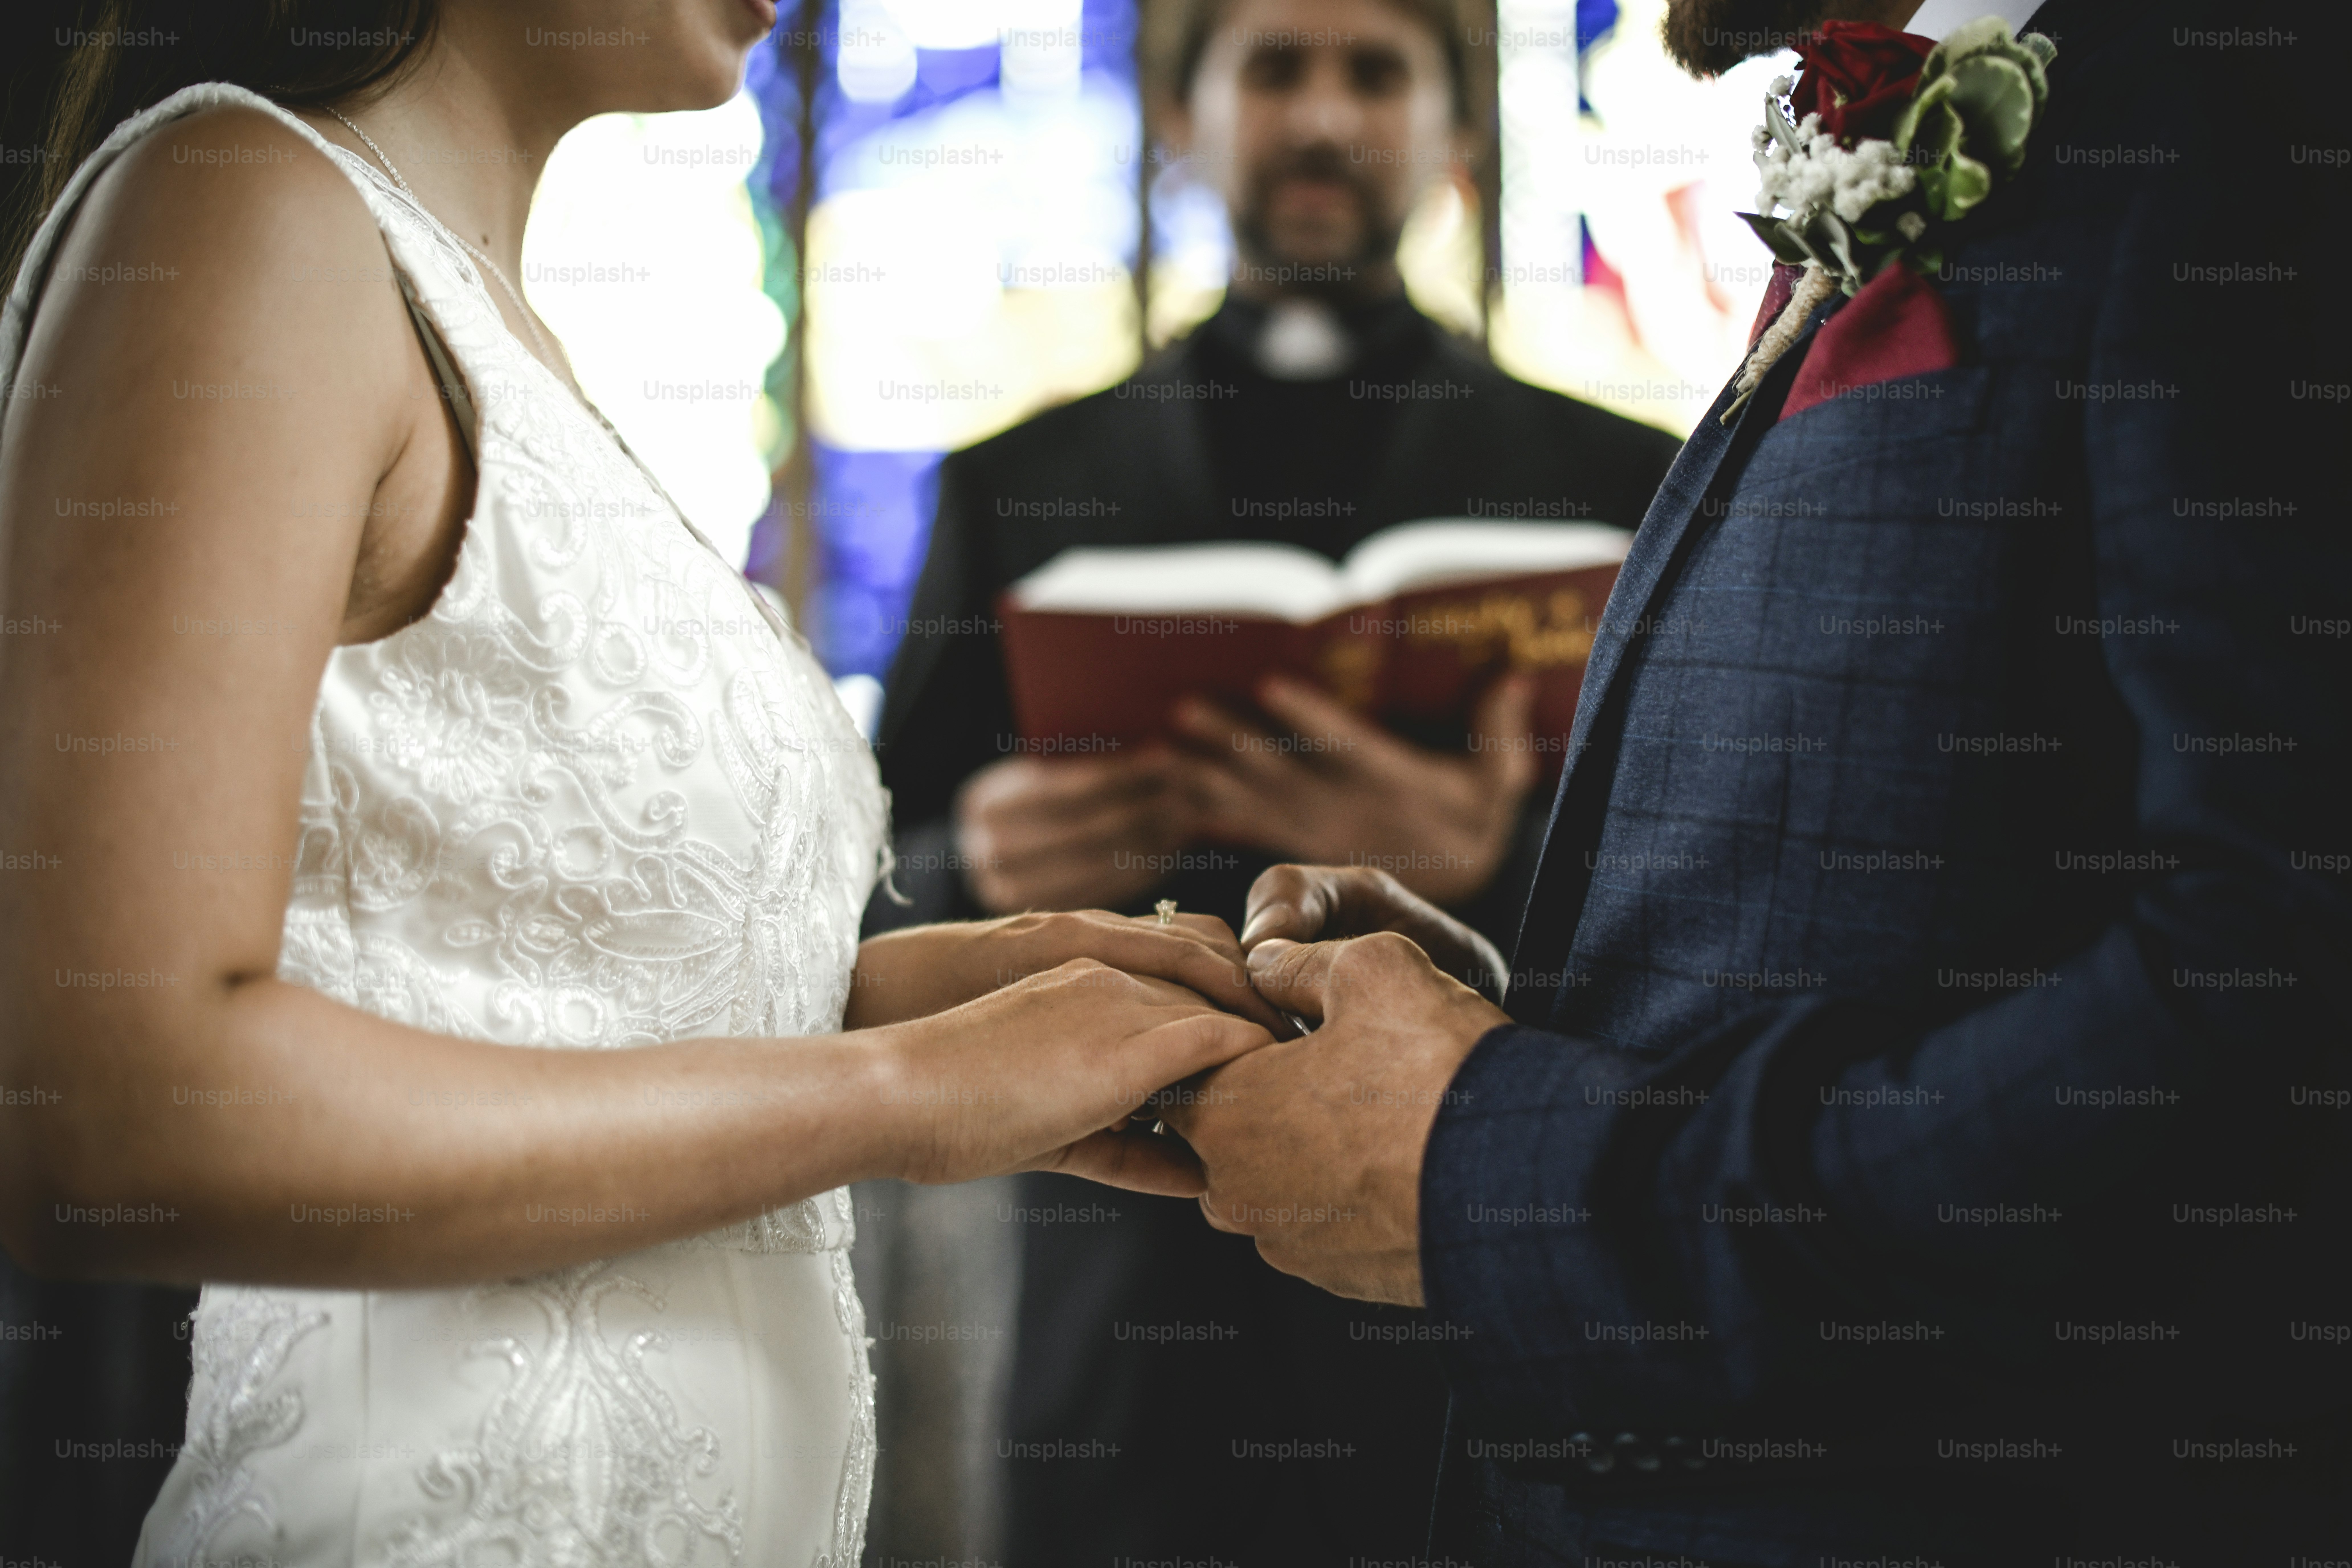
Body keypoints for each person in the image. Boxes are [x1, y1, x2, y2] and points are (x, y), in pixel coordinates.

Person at [0, 5, 1283, 1562]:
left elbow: (485, 982)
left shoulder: (491, 318)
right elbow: (100, 1108)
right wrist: (898, 1092)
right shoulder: (241, 206)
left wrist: (912, 1000)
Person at [1167, 0, 2351, 1563]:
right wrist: (1522, 1010)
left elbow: (2272, 986)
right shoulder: (1935, 130)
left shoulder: (2242, 108)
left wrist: (1500, 1155)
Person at [870, 0, 1681, 1557]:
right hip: (1120, 1300)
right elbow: (857, 879)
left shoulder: (1613, 483)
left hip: (1471, 1275)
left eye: (1376, 73)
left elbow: (1694, 904)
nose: (1323, 117)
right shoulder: (1023, 481)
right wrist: (983, 856)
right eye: (1277, 69)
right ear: (1184, 118)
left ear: (1458, 137)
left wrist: (1484, 866)